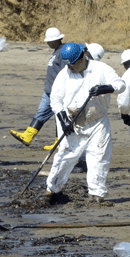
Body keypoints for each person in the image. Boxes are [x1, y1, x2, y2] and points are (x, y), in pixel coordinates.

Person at [43, 43, 125, 203]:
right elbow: (55, 100)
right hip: (71, 122)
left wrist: (105, 88)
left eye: (73, 64)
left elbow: (121, 85)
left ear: (83, 56)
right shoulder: (64, 74)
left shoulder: (101, 69)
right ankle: (52, 190)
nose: (71, 67)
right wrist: (63, 120)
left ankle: (97, 195)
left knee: (99, 157)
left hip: (98, 122)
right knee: (66, 157)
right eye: (69, 65)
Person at [9, 27, 67, 150]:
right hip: (48, 91)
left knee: (58, 118)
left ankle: (59, 143)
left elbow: (66, 73)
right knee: (41, 113)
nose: (47, 43)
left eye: (49, 41)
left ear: (56, 40)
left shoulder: (63, 53)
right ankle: (28, 136)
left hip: (57, 93)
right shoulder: (56, 50)